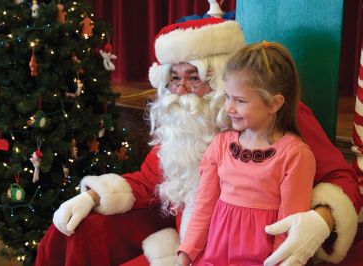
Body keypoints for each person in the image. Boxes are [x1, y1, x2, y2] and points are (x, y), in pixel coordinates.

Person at [36, 17, 362, 266]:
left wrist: (321, 220)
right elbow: (153, 180)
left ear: (220, 77)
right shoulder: (184, 126)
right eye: (174, 79)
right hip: (194, 248)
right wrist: (93, 196)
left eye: (194, 78)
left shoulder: (276, 118)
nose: (181, 91)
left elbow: (341, 179)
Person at [177, 41, 316, 265]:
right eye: (228, 98)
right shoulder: (221, 145)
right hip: (214, 259)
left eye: (240, 101)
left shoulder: (294, 155)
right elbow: (203, 207)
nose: (229, 108)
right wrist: (185, 256)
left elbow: (288, 228)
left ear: (274, 103)